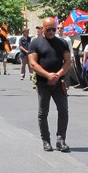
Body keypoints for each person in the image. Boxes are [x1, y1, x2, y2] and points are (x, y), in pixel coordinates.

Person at [28, 16, 71, 152]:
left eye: (54, 29)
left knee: (63, 110)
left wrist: (57, 74)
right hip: (43, 83)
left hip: (59, 83)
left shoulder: (62, 43)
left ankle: (61, 140)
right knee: (43, 113)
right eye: (49, 29)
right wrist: (47, 75)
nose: (52, 32)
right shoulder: (35, 43)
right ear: (43, 29)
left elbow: (68, 62)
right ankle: (46, 141)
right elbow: (33, 63)